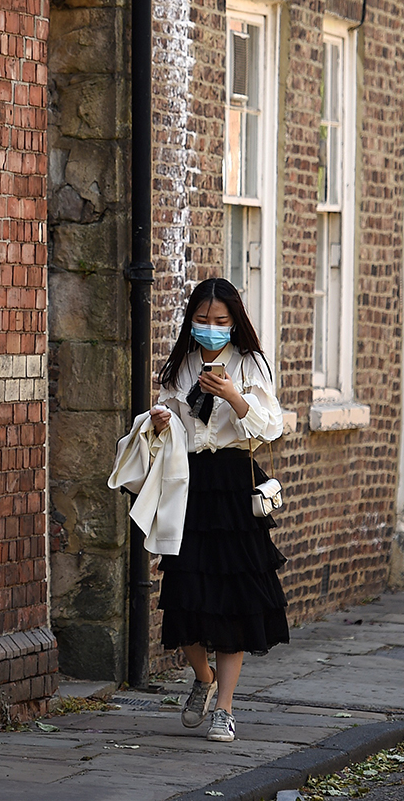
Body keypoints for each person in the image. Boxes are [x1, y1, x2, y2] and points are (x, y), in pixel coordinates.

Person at [109, 277, 288, 743]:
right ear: (192, 321)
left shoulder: (251, 364)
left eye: (221, 322)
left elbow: (271, 427)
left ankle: (224, 709)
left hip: (232, 482)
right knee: (183, 594)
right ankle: (203, 679)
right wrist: (160, 419)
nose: (211, 328)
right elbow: (164, 421)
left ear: (235, 323)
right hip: (187, 485)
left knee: (234, 600)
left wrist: (232, 394)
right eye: (204, 321)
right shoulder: (182, 364)